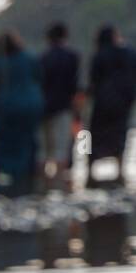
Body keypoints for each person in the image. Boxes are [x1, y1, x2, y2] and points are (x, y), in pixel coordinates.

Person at [0, 30, 44, 197]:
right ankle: (28, 179)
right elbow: (39, 79)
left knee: (3, 144)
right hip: (32, 107)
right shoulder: (30, 58)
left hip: (8, 108)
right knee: (28, 142)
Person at [85, 25, 136, 188]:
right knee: (120, 133)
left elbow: (93, 80)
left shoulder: (99, 55)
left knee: (94, 135)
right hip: (123, 102)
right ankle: (120, 171)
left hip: (102, 102)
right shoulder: (128, 52)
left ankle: (90, 172)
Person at [40, 22, 81, 190]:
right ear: (65, 36)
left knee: (44, 151)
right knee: (61, 149)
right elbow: (75, 86)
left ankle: (42, 186)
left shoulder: (43, 58)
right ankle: (58, 185)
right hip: (64, 108)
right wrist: (77, 110)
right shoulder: (72, 56)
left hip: (43, 109)